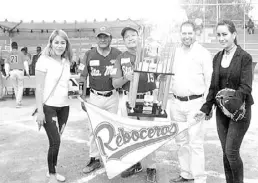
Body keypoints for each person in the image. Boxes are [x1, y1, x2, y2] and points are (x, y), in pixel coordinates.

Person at [196, 19, 253, 183]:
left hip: (240, 112)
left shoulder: (245, 57)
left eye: (225, 34)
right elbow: (213, 87)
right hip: (222, 114)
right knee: (225, 152)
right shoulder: (217, 57)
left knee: (231, 151)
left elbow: (246, 87)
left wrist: (231, 106)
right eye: (218, 35)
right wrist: (206, 107)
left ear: (233, 34)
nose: (221, 38)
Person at [112, 26, 158, 182]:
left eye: (133, 35)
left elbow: (160, 75)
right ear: (123, 41)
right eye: (127, 37)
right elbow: (115, 83)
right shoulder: (120, 58)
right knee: (131, 133)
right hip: (127, 99)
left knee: (148, 133)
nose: (131, 38)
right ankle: (135, 163)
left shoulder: (150, 54)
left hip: (147, 98)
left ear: (139, 37)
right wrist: (126, 77)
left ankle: (151, 167)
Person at [169, 21, 212, 183]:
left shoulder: (203, 53)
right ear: (180, 34)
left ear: (195, 34)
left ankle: (200, 179)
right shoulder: (176, 52)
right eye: (184, 33)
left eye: (189, 33)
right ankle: (186, 174)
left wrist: (208, 106)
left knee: (195, 143)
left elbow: (209, 81)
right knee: (181, 142)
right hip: (176, 103)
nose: (186, 36)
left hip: (195, 103)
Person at [79, 26, 121, 174]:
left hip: (113, 97)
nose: (102, 39)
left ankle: (112, 158)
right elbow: (82, 76)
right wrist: (82, 96)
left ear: (110, 38)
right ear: (96, 38)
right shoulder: (89, 54)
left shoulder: (118, 54)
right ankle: (94, 159)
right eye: (99, 37)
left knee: (112, 128)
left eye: (105, 37)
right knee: (93, 129)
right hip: (95, 97)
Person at [35, 29, 73, 183]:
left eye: (63, 42)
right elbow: (39, 87)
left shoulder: (66, 61)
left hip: (65, 107)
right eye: (56, 42)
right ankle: (51, 175)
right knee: (56, 141)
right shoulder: (43, 60)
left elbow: (66, 83)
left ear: (66, 44)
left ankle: (53, 168)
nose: (59, 45)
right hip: (49, 107)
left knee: (55, 141)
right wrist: (40, 111)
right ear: (50, 43)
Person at [4, 42, 30, 107]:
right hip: (20, 72)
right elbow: (25, 63)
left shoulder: (9, 54)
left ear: (11, 47)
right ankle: (18, 102)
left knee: (15, 88)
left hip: (12, 72)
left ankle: (18, 102)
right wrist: (27, 72)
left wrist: (7, 73)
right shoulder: (21, 54)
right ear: (17, 47)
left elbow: (6, 64)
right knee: (20, 87)